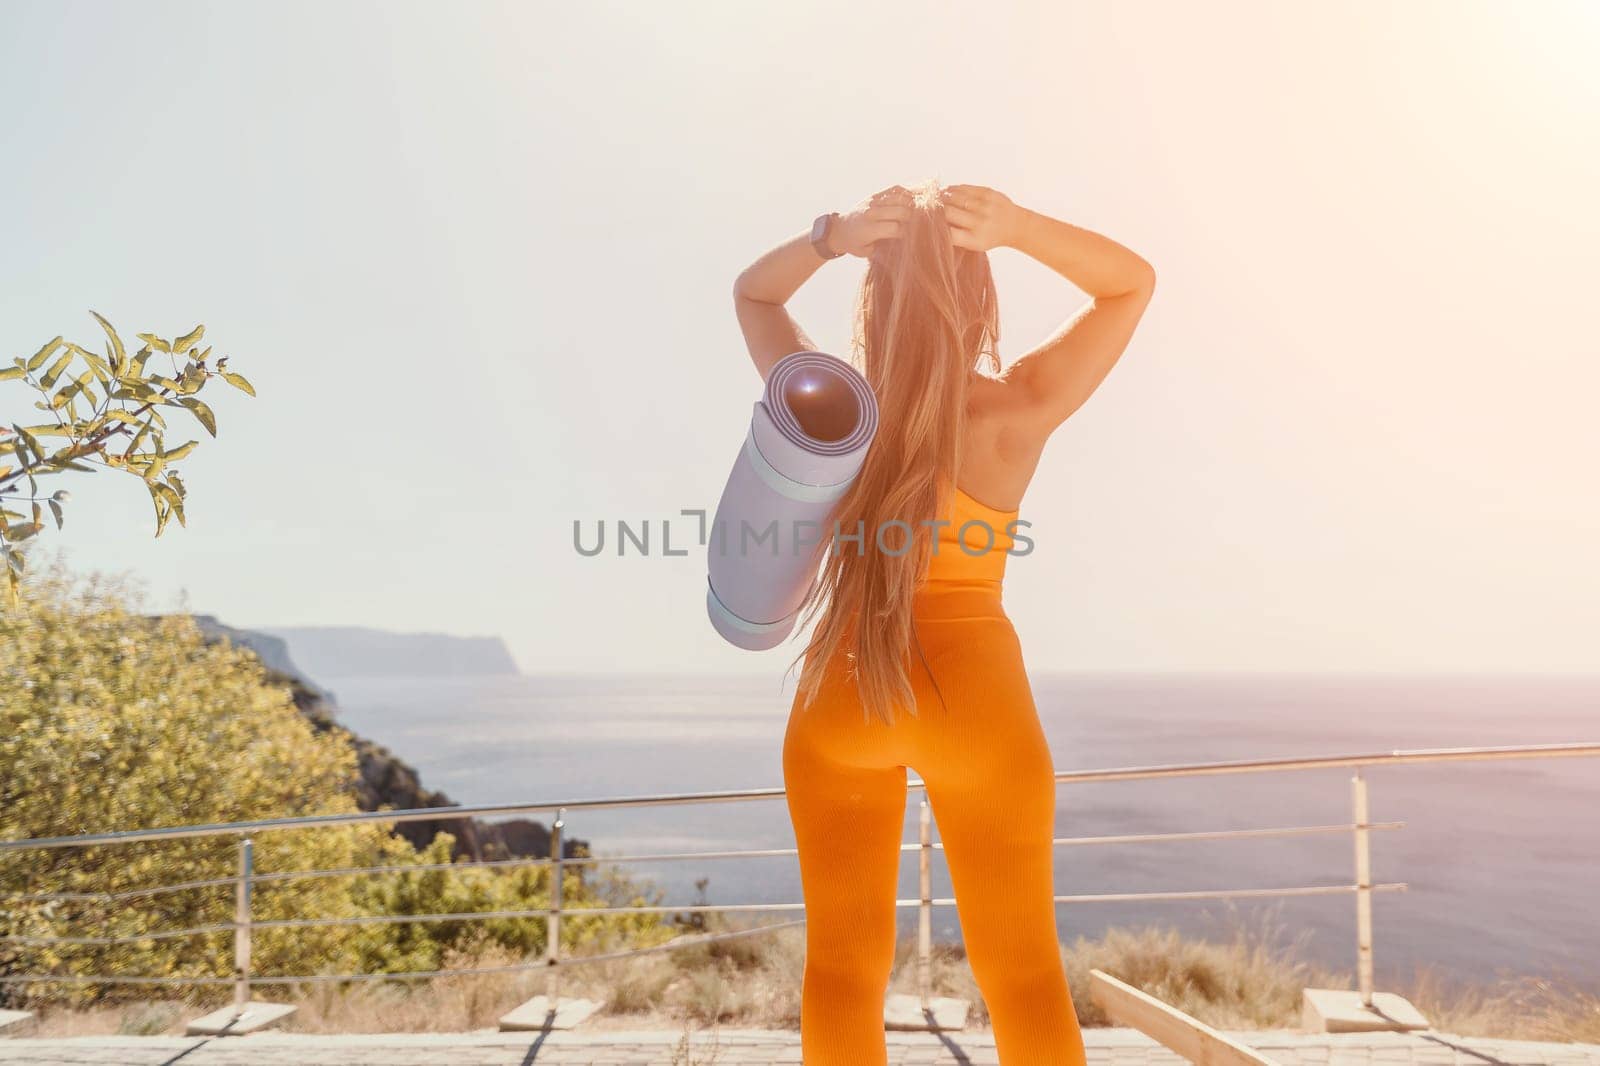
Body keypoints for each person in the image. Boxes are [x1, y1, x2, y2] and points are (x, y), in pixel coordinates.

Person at [732, 180, 1155, 1065]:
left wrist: (834, 236)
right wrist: (1019, 226)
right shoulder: (1018, 409)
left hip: (842, 695)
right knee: (1024, 975)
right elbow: (1129, 283)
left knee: (842, 972)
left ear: (873, 303)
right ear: (981, 301)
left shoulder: (828, 409)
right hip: (976, 700)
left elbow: (754, 293)